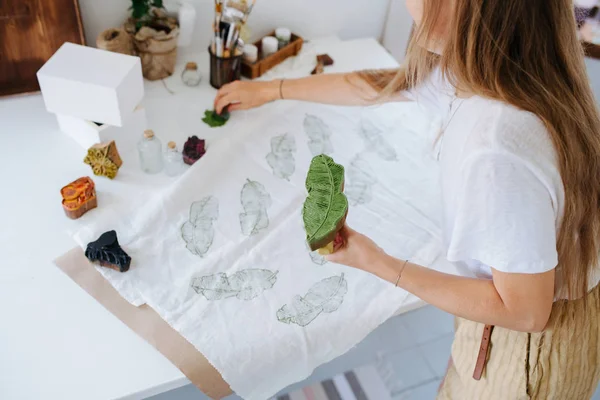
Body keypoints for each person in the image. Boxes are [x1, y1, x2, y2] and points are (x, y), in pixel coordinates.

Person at [214, 0, 600, 398]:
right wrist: (271, 89)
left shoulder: (499, 147)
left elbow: (525, 311)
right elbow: (387, 84)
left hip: (528, 353)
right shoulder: (510, 69)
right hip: (521, 316)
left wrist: (376, 261)